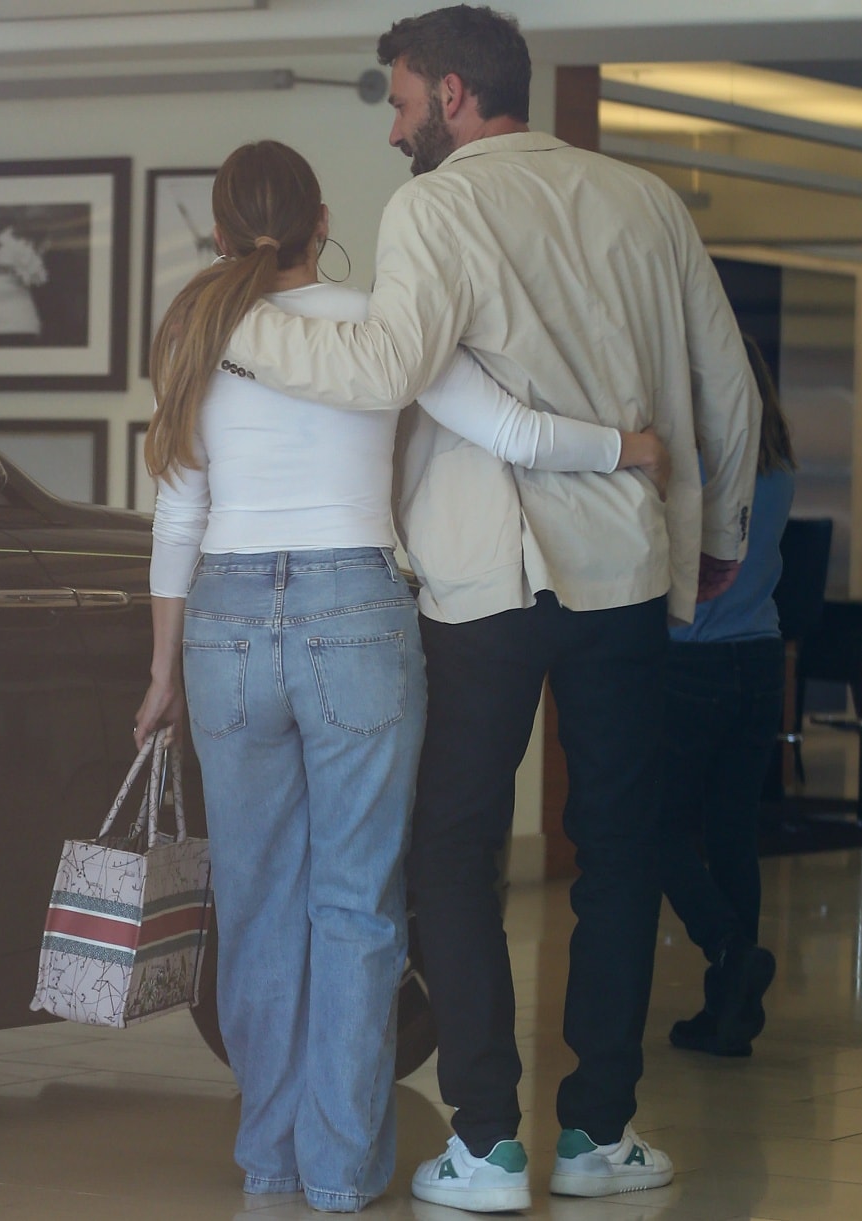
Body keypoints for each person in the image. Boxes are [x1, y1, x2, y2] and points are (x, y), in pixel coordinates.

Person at [224, 8, 761, 1210]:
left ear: (457, 96)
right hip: (623, 573)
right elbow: (726, 381)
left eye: (406, 104)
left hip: (485, 582)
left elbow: (385, 369)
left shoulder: (438, 205)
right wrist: (714, 539)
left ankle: (487, 1144)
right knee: (618, 851)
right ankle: (597, 1138)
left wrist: (229, 329)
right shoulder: (647, 201)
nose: (401, 128)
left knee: (453, 853)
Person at [131, 139, 671, 1213]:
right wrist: (631, 449)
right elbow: (512, 432)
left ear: (221, 228)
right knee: (358, 906)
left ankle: (270, 1158)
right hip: (356, 619)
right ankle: (339, 1170)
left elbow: (179, 511)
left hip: (226, 623)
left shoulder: (197, 328)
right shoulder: (384, 327)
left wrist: (162, 673)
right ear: (324, 216)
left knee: (255, 901)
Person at [658, 335, 795, 1058]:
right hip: (761, 660)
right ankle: (730, 1010)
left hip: (695, 662)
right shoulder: (778, 464)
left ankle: (727, 947)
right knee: (733, 830)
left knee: (652, 825)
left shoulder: (698, 464)